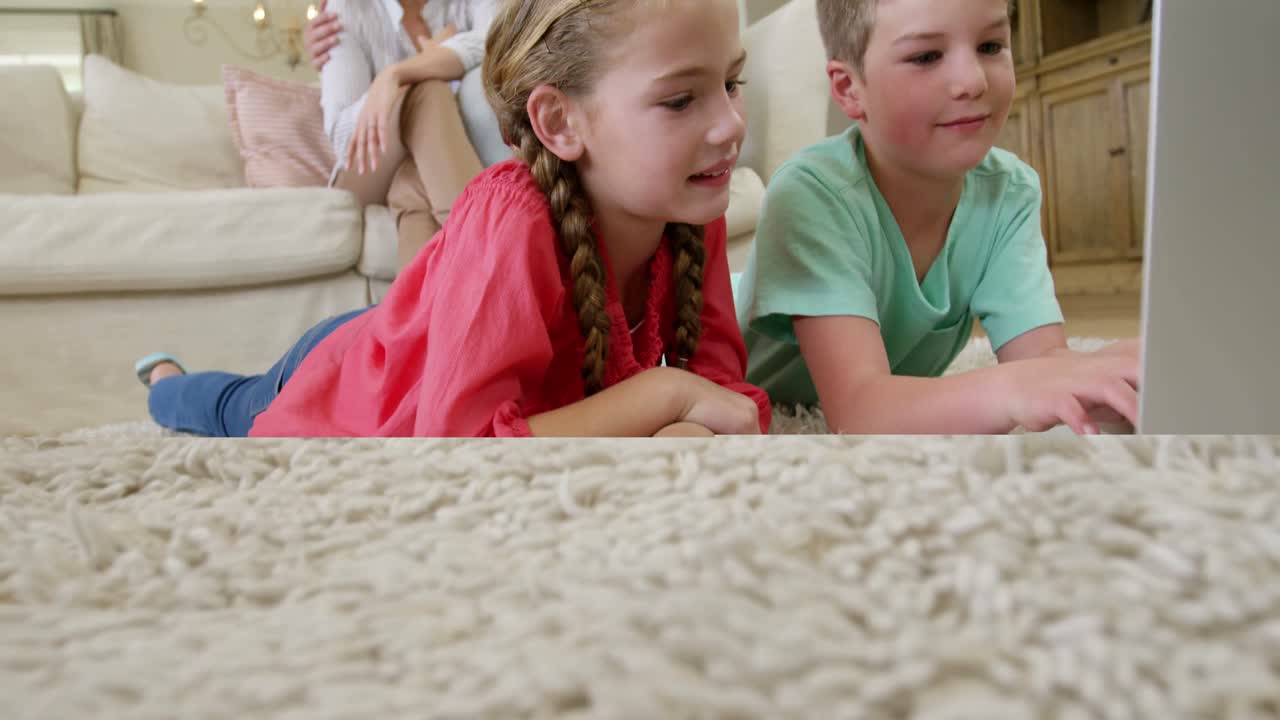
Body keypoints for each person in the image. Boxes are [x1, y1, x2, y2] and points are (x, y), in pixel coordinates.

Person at [134, 0, 768, 439]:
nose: (730, 125)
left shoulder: (688, 205)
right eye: (681, 99)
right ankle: (164, 379)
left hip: (423, 326)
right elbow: (458, 446)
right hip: (350, 372)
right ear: (557, 122)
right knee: (224, 407)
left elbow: (727, 400)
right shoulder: (515, 218)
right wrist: (665, 398)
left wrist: (688, 419)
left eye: (732, 84)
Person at [734, 0, 1141, 435]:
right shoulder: (811, 193)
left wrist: (1109, 372)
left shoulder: (1011, 190)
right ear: (850, 88)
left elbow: (1041, 363)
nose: (973, 80)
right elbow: (858, 411)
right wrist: (1008, 390)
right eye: (926, 57)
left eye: (990, 45)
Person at [314, 0, 509, 270]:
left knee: (410, 186)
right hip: (364, 171)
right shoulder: (347, 8)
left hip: (433, 166)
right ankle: (487, 248)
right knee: (426, 93)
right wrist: (420, 74)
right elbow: (342, 136)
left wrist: (398, 73)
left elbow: (499, 39)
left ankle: (417, 309)